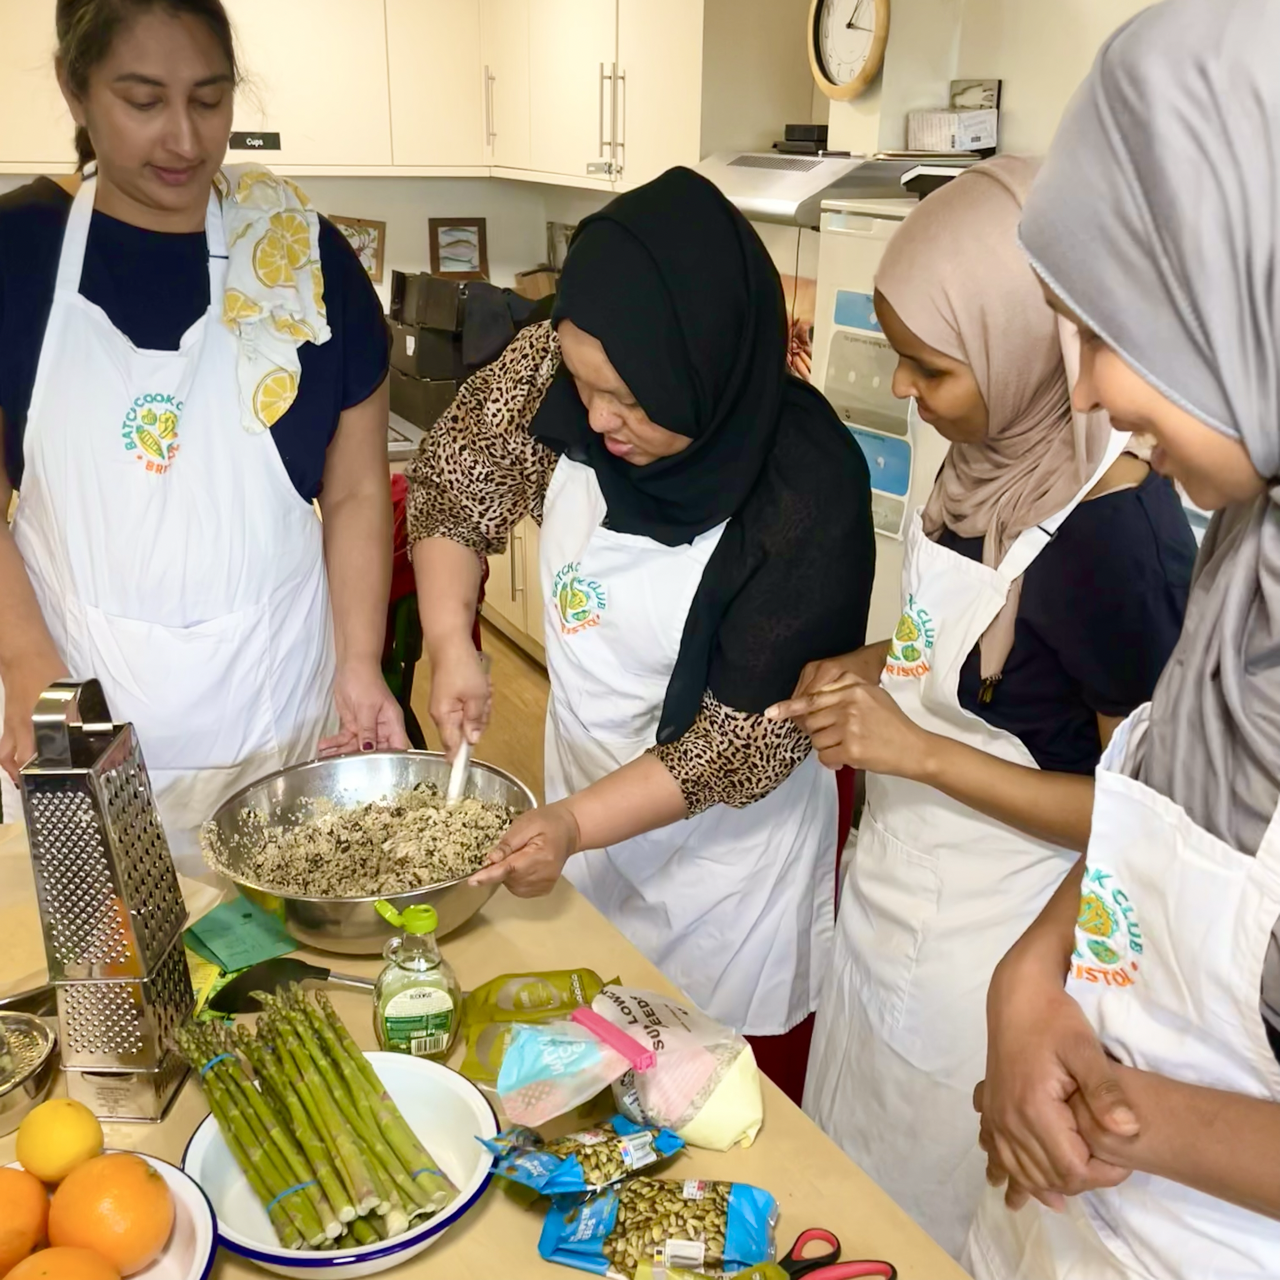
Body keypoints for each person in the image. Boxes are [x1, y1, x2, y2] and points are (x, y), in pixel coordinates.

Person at [768, 158, 1196, 1254]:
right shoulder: (979, 458)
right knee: (840, 1192)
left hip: (992, 959)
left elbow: (1141, 820)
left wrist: (916, 753)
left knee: (919, 1231)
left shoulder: (1110, 538)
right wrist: (864, 667)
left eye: (931, 367)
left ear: (1021, 344)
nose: (906, 391)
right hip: (890, 909)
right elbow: (956, 656)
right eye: (901, 356)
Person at [407, 167, 874, 1101]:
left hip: (727, 876)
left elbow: (734, 746)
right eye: (583, 387)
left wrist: (575, 823)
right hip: (583, 811)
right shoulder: (565, 368)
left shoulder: (806, 489)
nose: (597, 418)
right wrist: (450, 637)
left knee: (710, 1107)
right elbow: (459, 480)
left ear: (696, 367)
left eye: (629, 398)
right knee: (599, 1078)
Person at [967, 2, 1280, 1274]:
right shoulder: (1241, 548)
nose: (1084, 389)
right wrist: (1026, 983)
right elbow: (1159, 825)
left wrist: (1121, 1116)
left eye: (1108, 330)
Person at [0, 0, 405, 870]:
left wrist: (362, 663)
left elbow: (358, 488)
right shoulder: (17, 253)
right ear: (77, 92)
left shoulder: (299, 256)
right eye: (143, 101)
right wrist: (26, 662)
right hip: (73, 729)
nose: (184, 138)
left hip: (276, 742)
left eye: (210, 99)